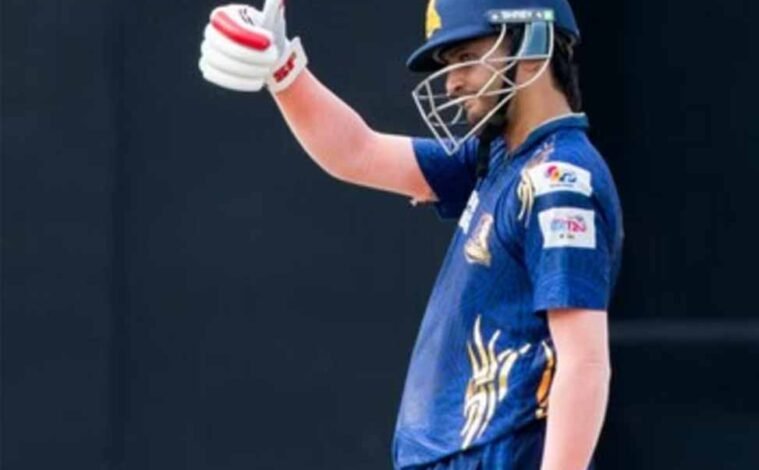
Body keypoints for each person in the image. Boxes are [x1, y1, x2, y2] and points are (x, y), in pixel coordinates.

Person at [198, 0, 624, 468]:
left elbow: (584, 364)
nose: (451, 82)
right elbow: (357, 152)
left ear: (533, 44)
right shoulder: (500, 160)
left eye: (466, 58)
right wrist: (284, 71)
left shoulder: (560, 181)